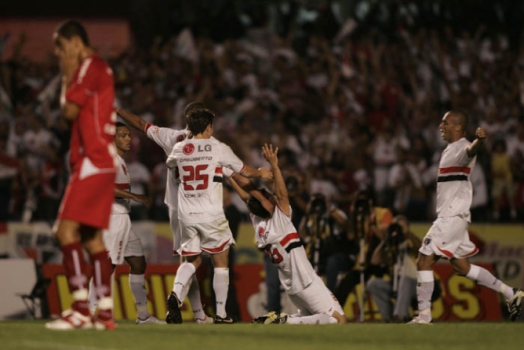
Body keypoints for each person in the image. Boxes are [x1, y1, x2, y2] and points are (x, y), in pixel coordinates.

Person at [409, 110, 524, 324]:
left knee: (423, 260)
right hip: (455, 215)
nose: (441, 126)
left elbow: (472, 150)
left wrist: (479, 141)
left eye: (445, 123)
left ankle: (424, 317)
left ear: (458, 127)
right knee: (462, 267)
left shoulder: (462, 147)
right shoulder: (449, 149)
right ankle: (510, 293)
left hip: (451, 216)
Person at [165, 109, 273, 324]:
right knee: (220, 262)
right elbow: (245, 171)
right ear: (208, 128)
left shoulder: (179, 148)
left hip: (187, 214)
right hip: (211, 213)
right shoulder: (218, 148)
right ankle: (222, 314)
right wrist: (262, 172)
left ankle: (176, 293)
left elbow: (171, 164)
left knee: (192, 259)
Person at [46, 19, 117, 330]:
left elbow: (69, 112)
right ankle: (104, 311)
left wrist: (66, 73)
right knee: (93, 241)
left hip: (94, 159)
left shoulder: (89, 65)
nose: (60, 54)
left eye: (61, 48)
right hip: (99, 161)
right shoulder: (99, 68)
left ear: (74, 42)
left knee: (64, 232)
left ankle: (79, 310)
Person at [116, 103, 214, 324]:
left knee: (187, 261)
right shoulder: (210, 145)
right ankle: (176, 300)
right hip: (198, 208)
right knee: (195, 260)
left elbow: (142, 124)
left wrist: (120, 111)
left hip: (174, 208)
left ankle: (199, 314)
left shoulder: (171, 137)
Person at [227, 144, 346, 325]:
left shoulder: (258, 223)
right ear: (268, 204)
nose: (272, 195)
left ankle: (286, 319)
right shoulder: (279, 220)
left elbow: (248, 194)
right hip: (306, 281)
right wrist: (274, 165)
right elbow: (282, 194)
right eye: (269, 196)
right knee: (338, 321)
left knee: (309, 320)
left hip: (291, 286)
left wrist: (228, 171)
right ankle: (284, 320)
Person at [86, 123, 164, 324]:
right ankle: (89, 312)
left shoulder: (119, 161)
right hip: (113, 217)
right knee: (108, 264)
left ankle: (143, 316)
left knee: (138, 262)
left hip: (123, 216)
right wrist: (133, 196)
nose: (128, 138)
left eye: (128, 135)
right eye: (123, 135)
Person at [366, 215, 425, 322]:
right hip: (396, 284)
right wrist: (385, 239)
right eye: (396, 226)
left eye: (401, 227)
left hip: (416, 283)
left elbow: (421, 250)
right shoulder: (391, 245)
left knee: (405, 279)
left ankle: (400, 316)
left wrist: (407, 234)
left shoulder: (411, 241)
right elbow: (374, 261)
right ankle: (389, 318)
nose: (398, 230)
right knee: (373, 284)